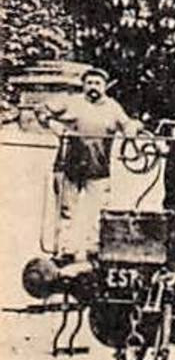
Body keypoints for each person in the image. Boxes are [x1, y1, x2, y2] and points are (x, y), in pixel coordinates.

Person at [48, 68, 140, 259]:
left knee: (97, 213)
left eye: (97, 83)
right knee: (66, 211)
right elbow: (42, 109)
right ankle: (65, 251)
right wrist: (51, 123)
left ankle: (93, 251)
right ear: (83, 85)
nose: (93, 87)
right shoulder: (71, 103)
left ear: (105, 87)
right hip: (68, 166)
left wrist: (133, 128)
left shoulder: (113, 107)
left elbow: (129, 124)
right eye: (89, 83)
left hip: (97, 168)